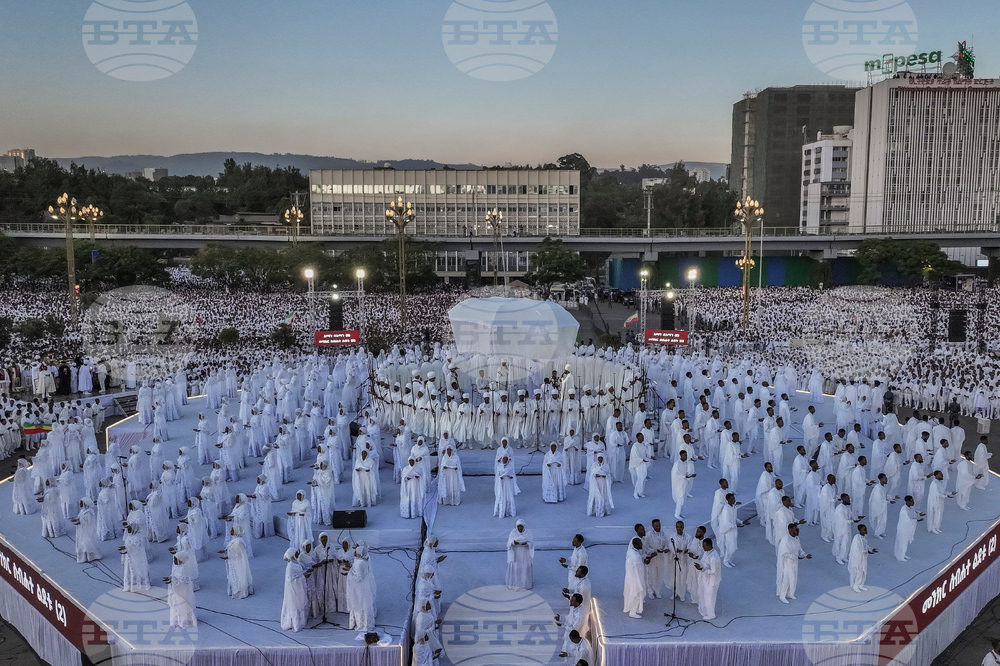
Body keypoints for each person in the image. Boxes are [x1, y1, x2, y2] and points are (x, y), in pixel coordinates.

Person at [776, 523, 811, 603]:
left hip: (794, 562)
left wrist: (805, 555)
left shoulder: (796, 539)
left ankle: (790, 593)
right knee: (786, 579)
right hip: (787, 563)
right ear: (790, 530)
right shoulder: (785, 540)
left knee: (793, 578)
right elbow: (785, 554)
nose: (798, 531)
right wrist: (796, 557)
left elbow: (799, 549)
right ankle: (782, 595)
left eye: (798, 530)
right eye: (796, 530)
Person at [347, 543, 377, 632]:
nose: (354, 552)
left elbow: (358, 577)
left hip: (359, 589)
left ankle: (362, 624)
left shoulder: (360, 563)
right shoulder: (362, 561)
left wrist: (349, 574)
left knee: (359, 605)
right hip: (363, 587)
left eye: (356, 551)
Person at [220, 525, 254, 600]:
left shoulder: (238, 543)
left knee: (239, 577)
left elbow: (240, 555)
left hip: (238, 564)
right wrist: (225, 552)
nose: (230, 531)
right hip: (234, 562)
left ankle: (241, 592)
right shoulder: (234, 540)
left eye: (232, 530)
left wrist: (229, 557)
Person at [165, 553, 197, 629]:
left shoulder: (185, 569)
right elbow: (174, 576)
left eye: (176, 559)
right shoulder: (176, 567)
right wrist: (170, 579)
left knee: (183, 606)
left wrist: (173, 580)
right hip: (176, 590)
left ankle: (185, 621)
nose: (174, 561)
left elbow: (184, 580)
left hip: (183, 591)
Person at [280, 548, 308, 632]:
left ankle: (301, 621)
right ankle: (295, 624)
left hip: (299, 588)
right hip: (293, 589)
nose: (297, 554)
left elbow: (299, 573)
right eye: (296, 553)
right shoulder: (290, 566)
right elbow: (291, 579)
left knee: (300, 602)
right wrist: (303, 576)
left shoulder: (296, 563)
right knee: (294, 605)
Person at [695, 537, 722, 620]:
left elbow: (713, 571)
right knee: (704, 595)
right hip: (705, 579)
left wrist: (702, 569)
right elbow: (704, 560)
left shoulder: (714, 557)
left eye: (704, 546)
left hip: (711, 582)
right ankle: (705, 611)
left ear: (709, 546)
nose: (703, 548)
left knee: (710, 598)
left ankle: (711, 614)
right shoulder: (707, 552)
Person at [894, 496, 924, 562]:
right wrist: (917, 521)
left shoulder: (910, 508)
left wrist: (919, 515)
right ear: (908, 502)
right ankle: (900, 556)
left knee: (905, 542)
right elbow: (908, 520)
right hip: (903, 528)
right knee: (902, 542)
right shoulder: (904, 510)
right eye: (912, 501)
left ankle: (903, 554)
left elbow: (913, 516)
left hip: (907, 528)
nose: (913, 502)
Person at [72, 498, 102, 563]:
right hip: (81, 530)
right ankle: (85, 557)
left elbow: (89, 522)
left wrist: (80, 522)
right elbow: (80, 518)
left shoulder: (89, 512)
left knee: (88, 543)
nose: (80, 504)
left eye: (81, 502)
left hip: (87, 531)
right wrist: (77, 520)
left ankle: (92, 556)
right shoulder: (82, 511)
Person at [506, 520, 534, 590]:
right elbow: (509, 543)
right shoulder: (513, 532)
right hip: (516, 553)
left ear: (523, 527)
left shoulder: (528, 533)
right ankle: (515, 584)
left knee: (524, 567)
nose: (520, 528)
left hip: (525, 554)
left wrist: (526, 544)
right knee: (516, 567)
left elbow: (531, 543)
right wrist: (513, 543)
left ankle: (524, 584)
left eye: (521, 526)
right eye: (519, 526)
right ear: (516, 527)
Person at [848, 524, 876, 593]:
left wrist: (871, 549)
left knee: (863, 571)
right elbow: (857, 549)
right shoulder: (856, 538)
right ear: (860, 530)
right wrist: (867, 551)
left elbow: (865, 546)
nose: (866, 531)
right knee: (858, 571)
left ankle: (861, 584)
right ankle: (855, 585)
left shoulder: (864, 537)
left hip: (863, 558)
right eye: (864, 529)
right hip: (858, 558)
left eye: (866, 529)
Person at [623, 537, 646, 619]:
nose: (642, 544)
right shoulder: (636, 557)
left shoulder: (630, 552)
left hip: (629, 577)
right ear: (636, 545)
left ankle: (631, 609)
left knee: (630, 594)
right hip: (635, 579)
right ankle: (633, 612)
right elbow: (638, 570)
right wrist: (639, 583)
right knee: (636, 595)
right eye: (640, 543)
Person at [587, 453, 614, 517]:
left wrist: (603, 475)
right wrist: (599, 474)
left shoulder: (606, 465)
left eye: (601, 458)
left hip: (604, 484)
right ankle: (596, 511)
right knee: (597, 496)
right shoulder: (594, 465)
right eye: (599, 458)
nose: (600, 459)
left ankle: (603, 511)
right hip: (596, 484)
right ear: (597, 458)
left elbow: (608, 474)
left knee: (603, 496)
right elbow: (593, 474)